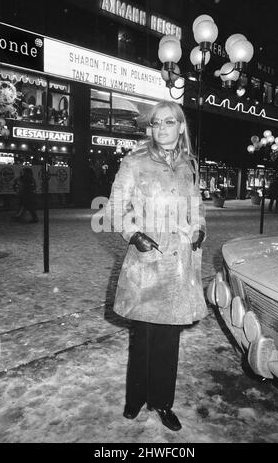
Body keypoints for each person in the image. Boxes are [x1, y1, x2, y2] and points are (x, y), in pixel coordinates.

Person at [103, 100, 207, 431]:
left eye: (168, 122)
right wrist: (133, 234)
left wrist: (200, 228)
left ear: (180, 127)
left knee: (168, 339)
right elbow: (116, 206)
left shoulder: (190, 164)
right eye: (156, 123)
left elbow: (197, 207)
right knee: (144, 336)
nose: (161, 128)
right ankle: (135, 398)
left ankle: (162, 402)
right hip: (148, 259)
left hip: (179, 264)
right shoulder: (135, 162)